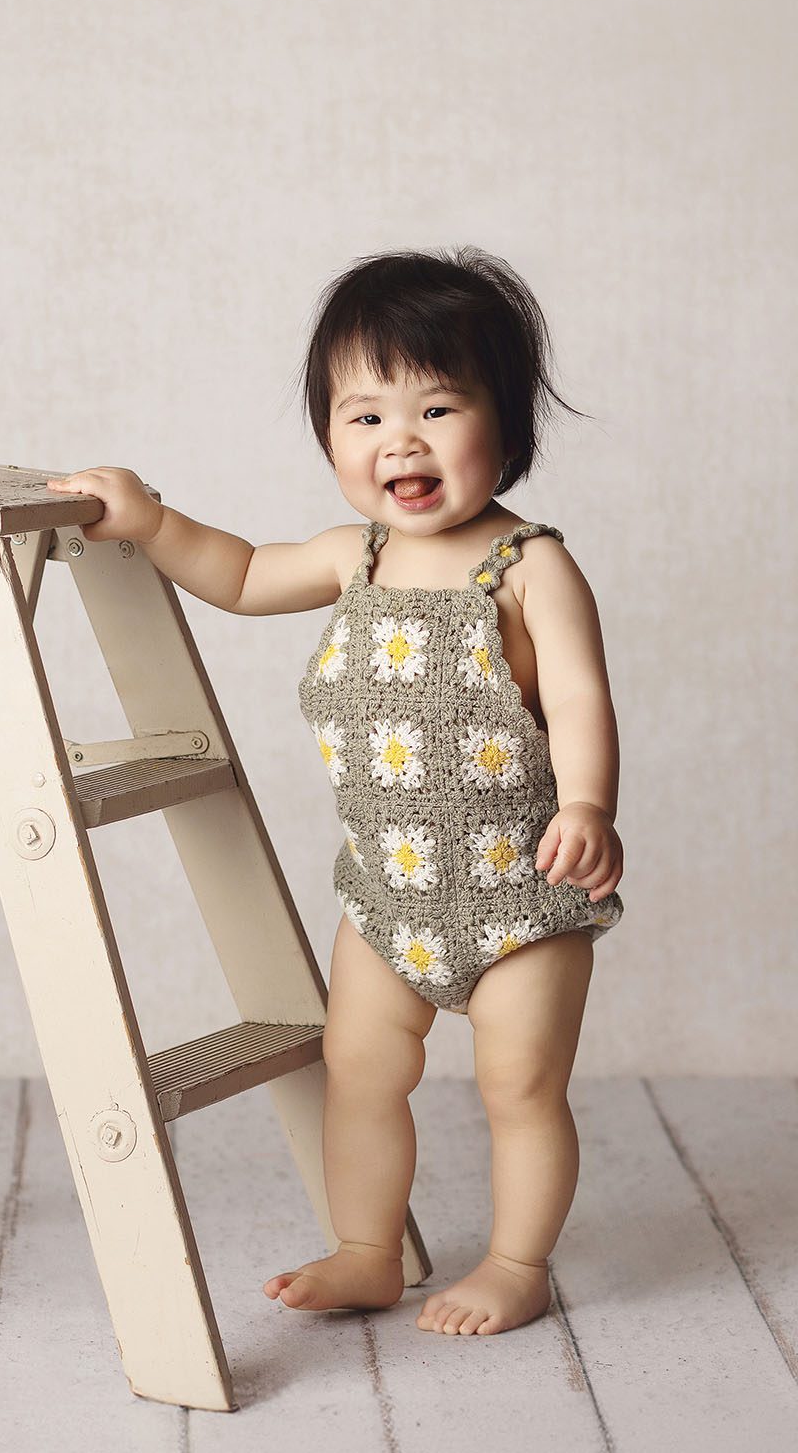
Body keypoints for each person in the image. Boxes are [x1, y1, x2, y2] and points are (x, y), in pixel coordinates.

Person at [44, 246, 625, 1338]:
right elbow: (241, 573)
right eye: (362, 417)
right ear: (328, 437)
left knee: (520, 1086)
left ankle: (516, 1262)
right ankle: (367, 1249)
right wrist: (148, 519)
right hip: (389, 896)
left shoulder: (529, 565)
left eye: (438, 407)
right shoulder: (346, 557)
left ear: (509, 426)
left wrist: (586, 806)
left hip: (521, 896)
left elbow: (584, 701)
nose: (398, 440)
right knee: (358, 1073)